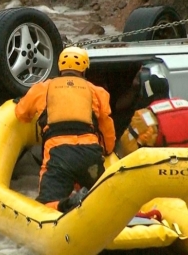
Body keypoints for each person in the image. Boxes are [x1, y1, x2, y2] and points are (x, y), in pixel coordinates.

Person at [15, 46, 116, 212]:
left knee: (47, 206)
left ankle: (66, 204)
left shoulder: (43, 88)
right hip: (90, 154)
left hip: (58, 154)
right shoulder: (97, 91)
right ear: (84, 70)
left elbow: (21, 114)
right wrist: (107, 150)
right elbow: (107, 129)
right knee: (102, 202)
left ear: (60, 67)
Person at [120, 74, 188, 157]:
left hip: (162, 171)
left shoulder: (143, 118)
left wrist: (142, 142)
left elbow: (126, 148)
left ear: (148, 94)